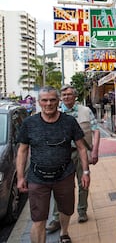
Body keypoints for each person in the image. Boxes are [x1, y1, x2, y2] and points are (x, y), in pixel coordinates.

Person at [16, 86, 90, 243]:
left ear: (58, 101)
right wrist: (21, 177)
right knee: (38, 218)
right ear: (39, 102)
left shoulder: (69, 122)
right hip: (37, 178)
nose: (48, 103)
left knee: (66, 209)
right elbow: (22, 151)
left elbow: (82, 147)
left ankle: (64, 233)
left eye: (52, 100)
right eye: (44, 100)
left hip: (64, 175)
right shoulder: (29, 123)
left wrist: (85, 172)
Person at [46, 85, 100, 233]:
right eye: (64, 95)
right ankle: (57, 218)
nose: (66, 97)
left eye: (69, 94)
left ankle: (82, 211)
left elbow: (96, 130)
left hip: (80, 152)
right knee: (58, 186)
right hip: (61, 155)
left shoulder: (85, 111)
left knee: (84, 182)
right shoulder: (56, 112)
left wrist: (95, 150)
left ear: (75, 96)